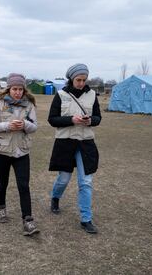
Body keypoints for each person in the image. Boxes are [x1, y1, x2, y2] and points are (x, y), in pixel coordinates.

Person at [48, 63, 102, 234]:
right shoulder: (61, 95)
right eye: (78, 79)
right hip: (65, 142)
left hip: (85, 143)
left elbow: (98, 118)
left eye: (84, 80)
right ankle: (55, 198)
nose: (81, 83)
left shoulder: (92, 95)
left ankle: (86, 219)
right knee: (63, 179)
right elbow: (52, 119)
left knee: (85, 182)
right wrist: (71, 120)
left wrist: (90, 120)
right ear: (71, 78)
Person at [0, 73, 40, 236]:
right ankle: (1, 208)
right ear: (9, 88)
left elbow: (35, 127)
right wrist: (8, 125)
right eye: (14, 89)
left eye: (20, 89)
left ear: (24, 90)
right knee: (3, 183)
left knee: (24, 185)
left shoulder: (29, 105)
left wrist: (25, 125)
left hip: (22, 151)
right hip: (2, 151)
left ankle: (28, 221)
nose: (17, 92)